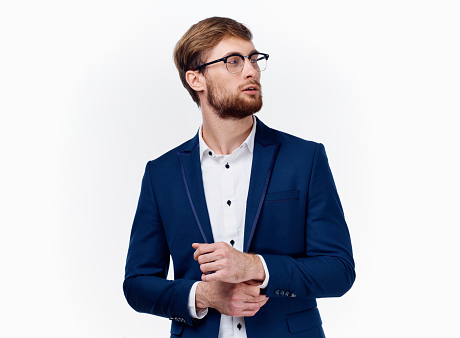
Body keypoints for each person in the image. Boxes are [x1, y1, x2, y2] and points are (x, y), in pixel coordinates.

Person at [123, 17, 355, 338]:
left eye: (253, 59)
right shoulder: (161, 174)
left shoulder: (305, 158)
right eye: (233, 61)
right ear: (196, 79)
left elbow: (339, 271)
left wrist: (255, 267)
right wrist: (203, 296)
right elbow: (137, 284)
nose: (251, 70)